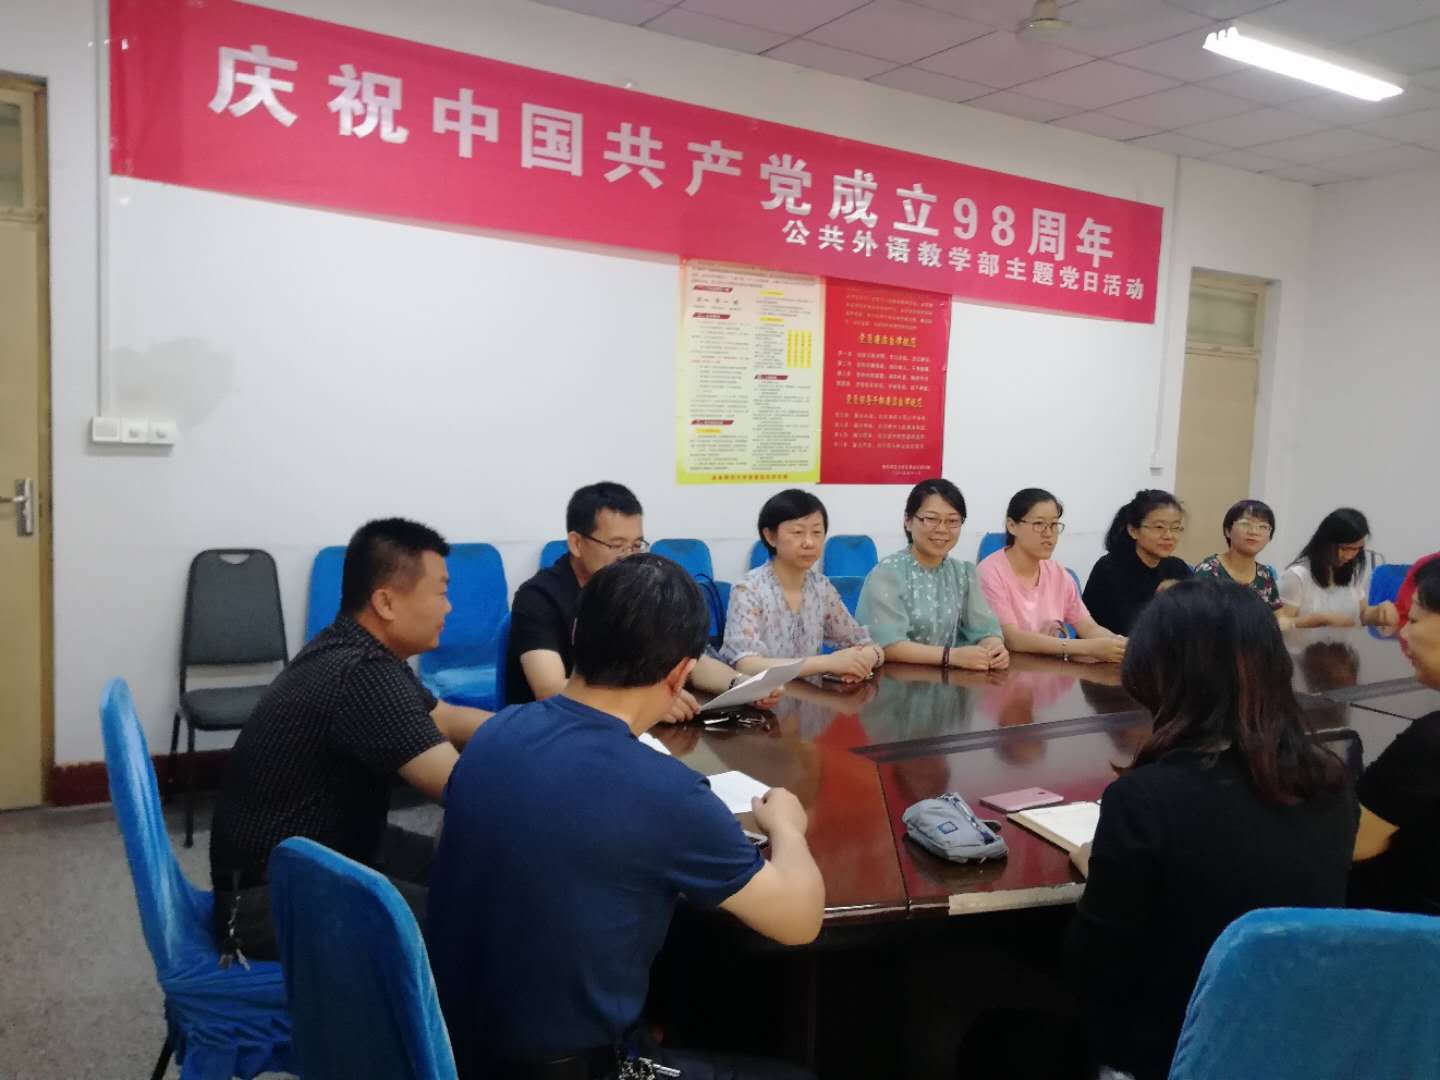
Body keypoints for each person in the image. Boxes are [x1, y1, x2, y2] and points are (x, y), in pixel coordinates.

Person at [428, 554, 823, 1079]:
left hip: (448, 1043)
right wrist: (788, 827)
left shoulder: (495, 733)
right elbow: (799, 921)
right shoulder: (667, 791)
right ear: (680, 673)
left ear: (575, 634)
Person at [1065, 579, 1356, 1080]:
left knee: (993, 1037)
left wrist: (1105, 868)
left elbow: (1091, 975)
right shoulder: (1330, 785)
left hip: (1170, 1053)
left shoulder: (1145, 801)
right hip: (1287, 1043)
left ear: (1160, 674)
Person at [208, 518, 492, 960]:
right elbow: (466, 790)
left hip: (331, 850)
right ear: (386, 602)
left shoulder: (356, 649)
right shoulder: (362, 673)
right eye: (440, 593)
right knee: (475, 927)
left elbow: (447, 717)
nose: (449, 607)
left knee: (473, 869)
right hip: (266, 902)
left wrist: (532, 729)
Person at [505, 481, 770, 717]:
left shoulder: (637, 588)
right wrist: (644, 701)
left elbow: (689, 663)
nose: (629, 557)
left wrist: (742, 685)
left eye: (636, 545)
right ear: (576, 543)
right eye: (616, 545)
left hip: (625, 722)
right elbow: (549, 689)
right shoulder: (539, 597)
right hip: (555, 727)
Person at [721, 488, 882, 682]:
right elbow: (747, 665)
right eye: (797, 532)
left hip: (812, 696)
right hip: (764, 695)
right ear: (770, 537)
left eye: (817, 532)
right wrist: (827, 662)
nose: (809, 542)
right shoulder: (748, 590)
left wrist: (866, 659)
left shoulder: (821, 587)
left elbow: (862, 643)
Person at [1352, 559, 1440, 913]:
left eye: (1414, 619)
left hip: (1406, 931)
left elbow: (1352, 844)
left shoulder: (1430, 745)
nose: (1402, 634)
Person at [856, 478, 1009, 671]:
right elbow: (887, 644)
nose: (942, 529)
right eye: (931, 519)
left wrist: (994, 648)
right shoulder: (887, 573)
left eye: (952, 521)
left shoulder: (964, 573)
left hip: (949, 681)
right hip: (895, 681)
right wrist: (950, 656)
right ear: (908, 521)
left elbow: (985, 629)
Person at [977, 487, 1126, 662]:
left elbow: (1089, 629)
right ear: (1012, 526)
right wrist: (1088, 648)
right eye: (1039, 524)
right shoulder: (990, 572)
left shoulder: (1059, 574)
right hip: (1008, 671)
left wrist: (1121, 644)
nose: (1048, 534)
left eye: (1054, 525)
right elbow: (1013, 639)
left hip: (1052, 672)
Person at [1081, 490, 1192, 636]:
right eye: (1159, 527)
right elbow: (1128, 627)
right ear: (1133, 530)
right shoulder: (1110, 568)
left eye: (1175, 527)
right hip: (1114, 646)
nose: (1168, 536)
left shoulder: (1178, 568)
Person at [1280, 507, 1398, 628]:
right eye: (1344, 548)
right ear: (1326, 542)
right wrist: (1320, 619)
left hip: (1343, 641)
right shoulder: (1297, 576)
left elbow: (1361, 615)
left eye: (1356, 549)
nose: (1349, 556)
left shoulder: (1350, 572)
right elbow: (1279, 624)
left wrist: (1377, 612)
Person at [1192, 498, 1294, 628]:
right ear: (1228, 531)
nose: (1254, 532)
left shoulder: (1265, 575)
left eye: (1263, 526)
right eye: (1245, 524)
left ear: (1269, 537)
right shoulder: (1209, 570)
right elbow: (1198, 620)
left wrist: (1312, 621)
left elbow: (1279, 620)